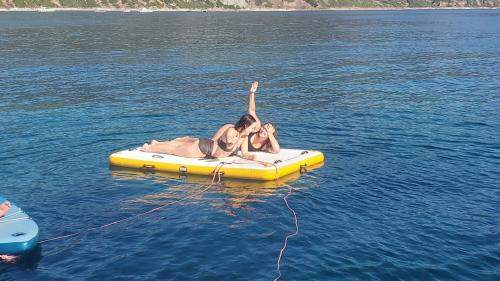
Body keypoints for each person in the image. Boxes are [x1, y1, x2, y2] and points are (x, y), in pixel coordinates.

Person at [141, 114, 258, 159]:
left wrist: (251, 157)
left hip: (205, 147)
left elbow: (245, 153)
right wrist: (237, 138)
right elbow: (228, 142)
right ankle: (148, 148)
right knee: (173, 150)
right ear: (245, 125)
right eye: (252, 128)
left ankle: (156, 143)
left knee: (177, 146)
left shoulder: (244, 138)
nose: (253, 130)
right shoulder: (231, 130)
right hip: (202, 149)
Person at [244, 81, 280, 154]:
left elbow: (276, 151)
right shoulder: (256, 128)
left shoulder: (265, 145)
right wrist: (252, 93)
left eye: (267, 131)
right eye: (264, 128)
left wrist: (269, 133)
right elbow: (252, 111)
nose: (263, 130)